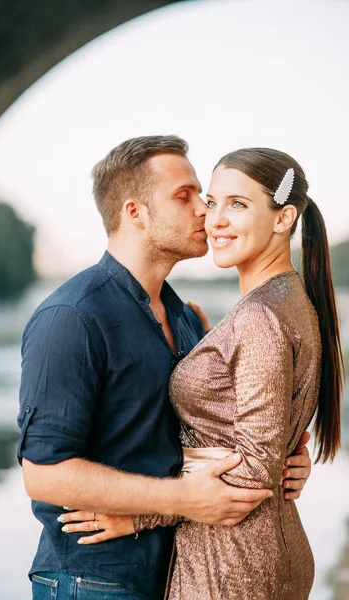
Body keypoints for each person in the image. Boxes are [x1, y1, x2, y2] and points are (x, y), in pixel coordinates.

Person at [17, 137, 312, 600]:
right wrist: (183, 500)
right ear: (135, 212)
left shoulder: (189, 319)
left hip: (180, 571)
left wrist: (282, 459)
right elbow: (44, 474)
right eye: (187, 196)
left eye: (208, 197)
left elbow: (212, 430)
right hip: (94, 578)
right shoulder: (72, 317)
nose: (205, 212)